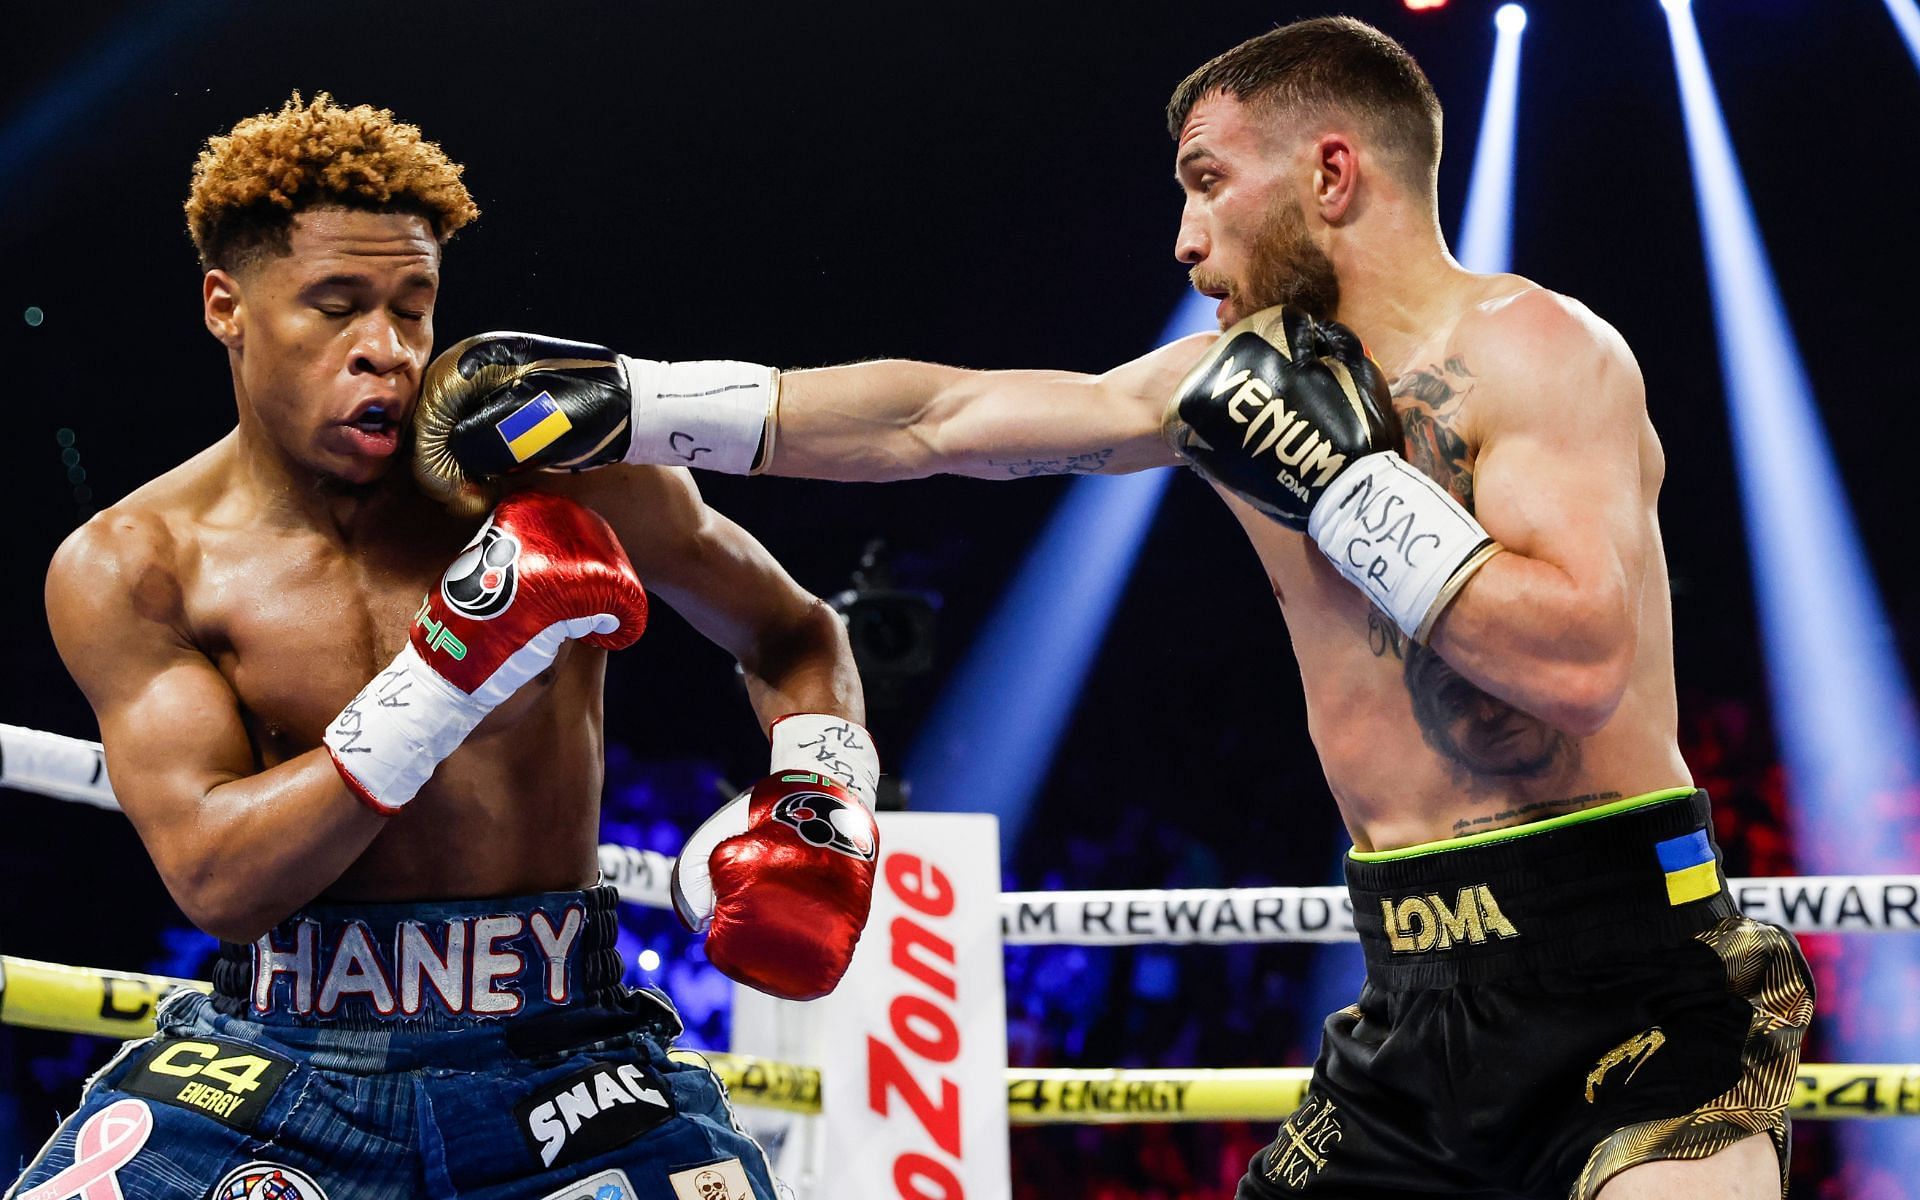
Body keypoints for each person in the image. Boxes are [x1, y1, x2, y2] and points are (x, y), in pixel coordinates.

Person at [415, 17, 1815, 1199]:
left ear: (1332, 173)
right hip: (1412, 994)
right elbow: (942, 419)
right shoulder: (1224, 382)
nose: (1184, 234)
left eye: (1210, 183)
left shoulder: (1540, 352)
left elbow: (1573, 663)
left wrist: (1341, 487)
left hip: (1631, 989)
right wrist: (647, 400)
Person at [11, 93, 883, 1200]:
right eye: (335, 306)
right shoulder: (139, 561)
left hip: (571, 1053)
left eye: (411, 308)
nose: (384, 350)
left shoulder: (558, 467)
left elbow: (798, 627)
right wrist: (448, 669)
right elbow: (219, 878)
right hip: (277, 1059)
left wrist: (821, 795)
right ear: (226, 308)